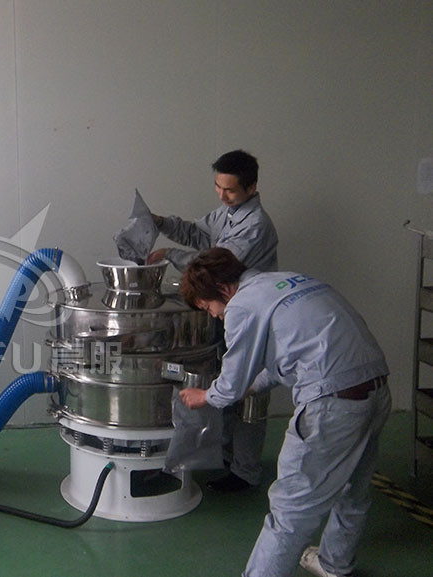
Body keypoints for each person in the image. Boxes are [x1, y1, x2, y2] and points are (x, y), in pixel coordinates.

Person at [178, 248, 390, 577]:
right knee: (353, 490)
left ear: (223, 289)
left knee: (290, 511)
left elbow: (229, 386)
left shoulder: (242, 305)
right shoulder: (289, 282)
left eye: (209, 308)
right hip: (375, 392)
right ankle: (335, 564)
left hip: (332, 407)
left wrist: (206, 395)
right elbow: (291, 356)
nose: (215, 316)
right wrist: (250, 385)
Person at [149, 149, 278, 492]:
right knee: (230, 385)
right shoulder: (227, 212)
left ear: (251, 187)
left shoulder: (256, 226)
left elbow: (214, 263)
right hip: (230, 313)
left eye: (230, 190)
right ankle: (224, 456)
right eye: (218, 187)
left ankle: (245, 472)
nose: (222, 195)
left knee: (249, 394)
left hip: (253, 318)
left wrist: (169, 254)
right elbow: (196, 233)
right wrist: (161, 223)